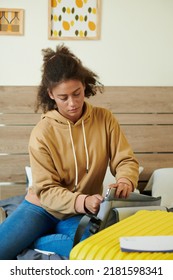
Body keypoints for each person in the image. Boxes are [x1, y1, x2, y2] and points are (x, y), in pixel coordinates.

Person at [0, 45, 139, 260]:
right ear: (50, 95)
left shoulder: (105, 119)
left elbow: (125, 160)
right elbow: (45, 190)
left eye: (77, 93)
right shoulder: (42, 132)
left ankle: (37, 239)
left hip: (79, 213)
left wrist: (125, 180)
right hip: (41, 207)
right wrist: (82, 200)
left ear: (84, 85)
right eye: (63, 97)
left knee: (95, 250)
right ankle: (34, 236)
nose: (72, 103)